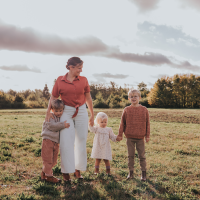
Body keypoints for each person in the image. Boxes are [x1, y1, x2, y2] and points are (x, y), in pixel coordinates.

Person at [45, 57, 94, 182]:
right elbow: (53, 97)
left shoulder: (84, 80)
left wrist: (92, 114)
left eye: (81, 68)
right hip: (66, 110)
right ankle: (66, 172)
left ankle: (78, 169)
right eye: (79, 68)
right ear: (71, 67)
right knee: (66, 140)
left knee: (81, 139)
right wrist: (47, 113)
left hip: (82, 110)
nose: (81, 71)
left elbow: (88, 98)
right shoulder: (60, 80)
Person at [117, 89, 150, 181]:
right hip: (129, 137)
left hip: (140, 138)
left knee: (142, 156)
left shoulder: (144, 110)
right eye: (131, 96)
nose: (133, 98)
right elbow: (122, 123)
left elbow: (148, 123)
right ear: (129, 98)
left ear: (139, 97)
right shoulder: (126, 110)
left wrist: (147, 136)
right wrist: (120, 134)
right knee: (130, 156)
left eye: (135, 96)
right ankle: (130, 173)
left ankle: (143, 174)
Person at [41, 99, 70, 183]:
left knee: (53, 161)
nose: (58, 113)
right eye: (56, 111)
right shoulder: (50, 117)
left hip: (55, 142)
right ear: (52, 110)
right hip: (48, 141)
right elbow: (52, 126)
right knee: (48, 160)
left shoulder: (60, 117)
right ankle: (49, 177)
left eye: (60, 110)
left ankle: (43, 173)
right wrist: (63, 125)